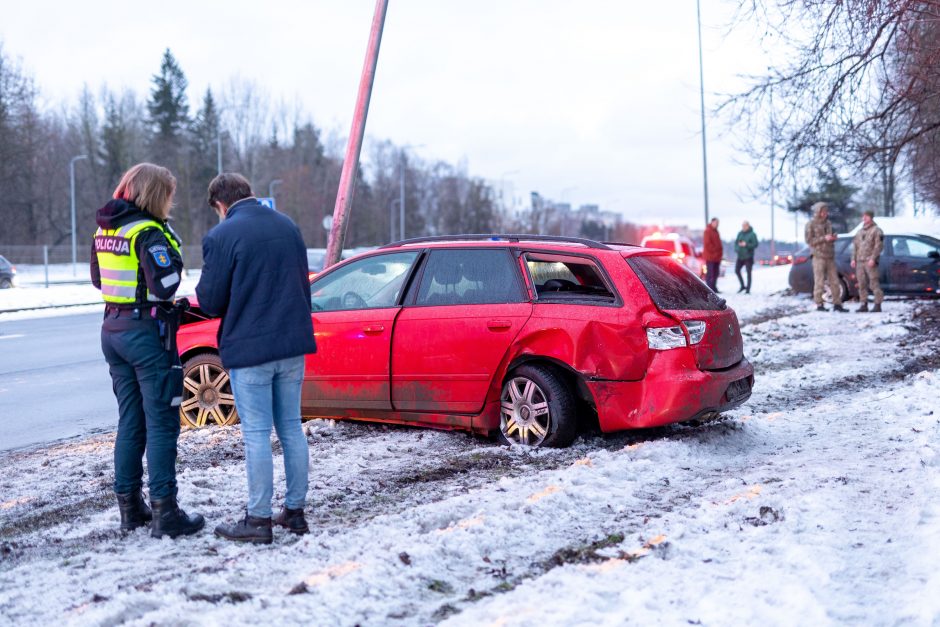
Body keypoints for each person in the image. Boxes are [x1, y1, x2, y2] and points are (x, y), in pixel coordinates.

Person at [197, 173, 317, 544]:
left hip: (250, 349)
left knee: (256, 435)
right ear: (249, 193)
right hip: (293, 344)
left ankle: (258, 519)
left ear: (220, 204)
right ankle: (295, 513)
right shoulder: (288, 226)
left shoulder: (221, 236)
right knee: (292, 428)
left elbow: (211, 299)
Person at [90, 163, 205, 538]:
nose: (171, 201)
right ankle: (165, 511)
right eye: (168, 195)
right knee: (162, 423)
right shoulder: (148, 232)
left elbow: (98, 279)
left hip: (113, 330)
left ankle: (130, 508)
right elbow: (168, 283)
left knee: (131, 420)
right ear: (157, 195)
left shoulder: (106, 228)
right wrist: (172, 251)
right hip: (146, 334)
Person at [804, 201, 848, 312]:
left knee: (835, 281)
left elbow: (831, 236)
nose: (825, 213)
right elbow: (809, 241)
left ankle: (837, 304)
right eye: (823, 211)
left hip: (830, 256)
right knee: (819, 281)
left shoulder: (828, 223)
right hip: (818, 257)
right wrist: (824, 238)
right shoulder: (811, 224)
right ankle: (819, 304)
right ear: (818, 212)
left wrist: (833, 237)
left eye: (826, 211)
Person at [851, 210, 884, 312]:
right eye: (863, 216)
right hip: (860, 261)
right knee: (861, 284)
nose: (864, 218)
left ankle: (877, 304)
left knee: (874, 283)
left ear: (871, 217)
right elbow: (855, 247)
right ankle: (863, 304)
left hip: (870, 261)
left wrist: (873, 258)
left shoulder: (877, 230)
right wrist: (853, 259)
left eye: (867, 216)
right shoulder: (859, 232)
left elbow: (879, 246)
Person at [734, 220, 758, 294]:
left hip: (748, 256)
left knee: (748, 273)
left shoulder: (752, 234)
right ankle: (742, 286)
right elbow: (736, 243)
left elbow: (755, 244)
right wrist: (737, 249)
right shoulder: (740, 233)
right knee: (737, 271)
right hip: (740, 256)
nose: (743, 227)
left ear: (748, 226)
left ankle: (748, 289)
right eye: (742, 226)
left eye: (744, 226)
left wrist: (746, 244)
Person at [703, 217, 723, 292]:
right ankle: (709, 289)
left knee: (716, 273)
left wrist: (719, 253)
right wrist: (716, 250)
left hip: (717, 257)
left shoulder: (716, 231)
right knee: (710, 273)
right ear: (712, 222)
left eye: (718, 223)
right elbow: (708, 244)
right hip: (710, 256)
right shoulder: (707, 231)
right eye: (716, 223)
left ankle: (714, 288)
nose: (717, 224)